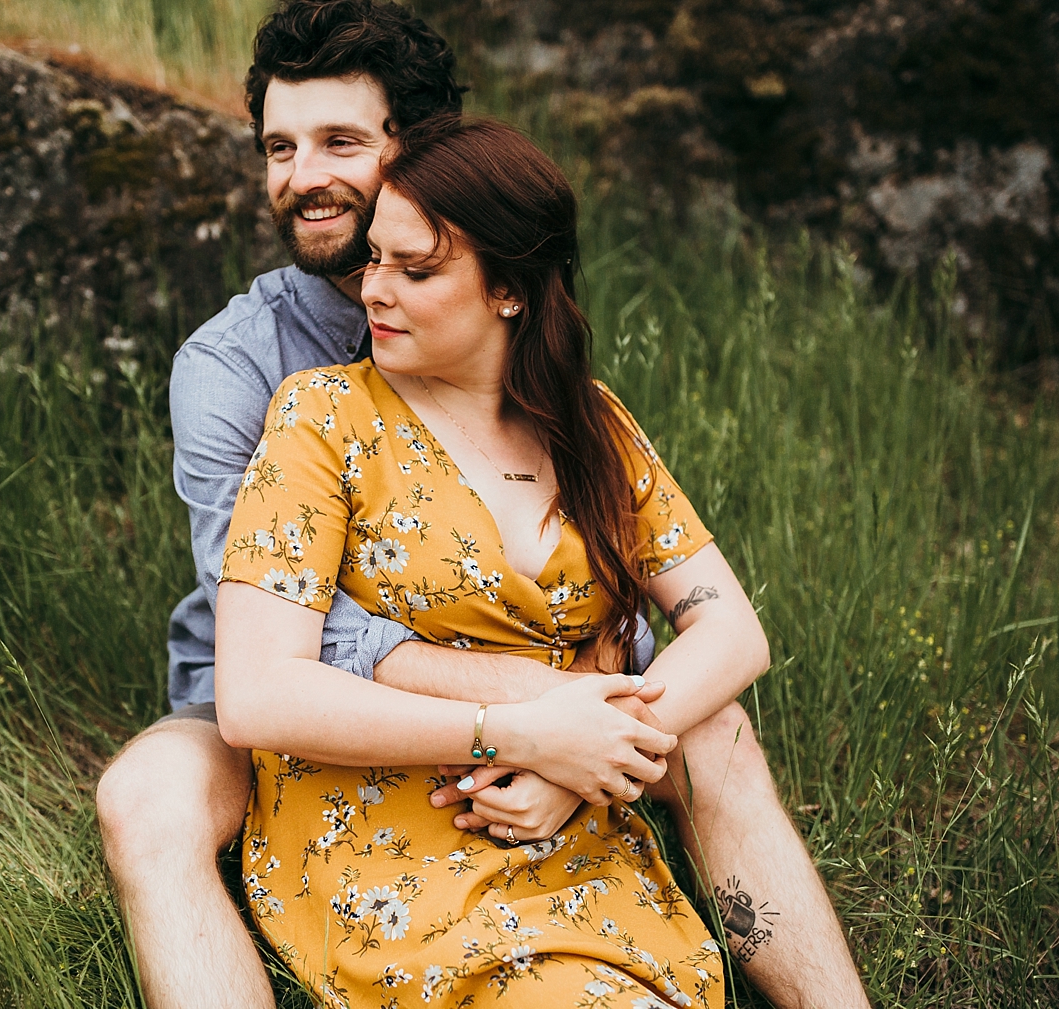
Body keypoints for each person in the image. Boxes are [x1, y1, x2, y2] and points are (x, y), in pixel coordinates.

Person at [94, 3, 869, 1007]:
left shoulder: (544, 381)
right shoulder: (244, 372)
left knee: (716, 730)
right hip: (274, 702)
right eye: (279, 148)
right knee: (146, 797)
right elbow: (284, 645)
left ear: (422, 156)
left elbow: (709, 613)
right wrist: (534, 704)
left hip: (528, 669)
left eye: (338, 142)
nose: (302, 178)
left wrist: (594, 713)